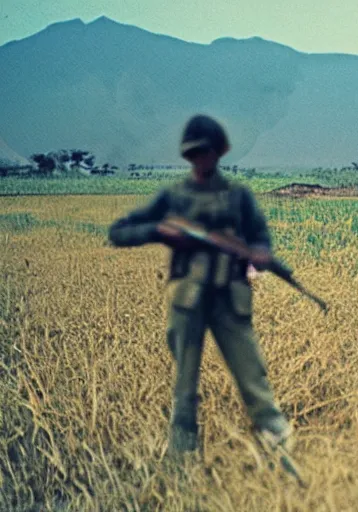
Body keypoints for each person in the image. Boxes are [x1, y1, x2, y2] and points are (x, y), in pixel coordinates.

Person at [108, 114, 292, 457]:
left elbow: (260, 238)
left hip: (230, 299)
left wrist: (261, 254)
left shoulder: (239, 197)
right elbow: (119, 232)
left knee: (252, 375)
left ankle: (278, 445)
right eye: (193, 154)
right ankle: (181, 456)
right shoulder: (174, 198)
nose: (200, 160)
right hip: (187, 300)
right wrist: (157, 231)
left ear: (219, 152)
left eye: (205, 152)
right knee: (185, 385)